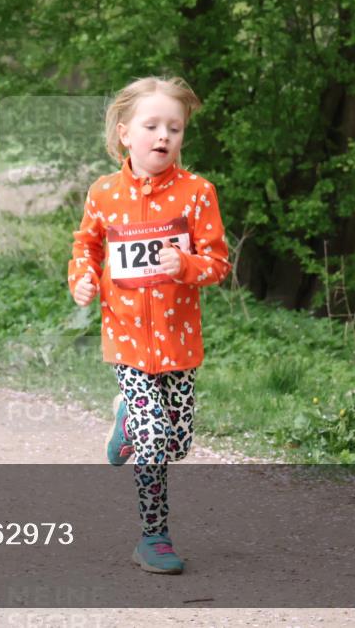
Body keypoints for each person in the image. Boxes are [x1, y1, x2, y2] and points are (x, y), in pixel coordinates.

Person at [68, 76, 231, 573]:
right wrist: (82, 278)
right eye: (152, 125)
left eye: (175, 128)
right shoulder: (104, 193)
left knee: (177, 441)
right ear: (124, 133)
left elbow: (218, 265)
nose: (164, 136)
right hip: (127, 341)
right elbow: (87, 245)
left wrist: (184, 267)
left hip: (179, 344)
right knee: (155, 438)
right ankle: (153, 537)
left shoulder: (198, 194)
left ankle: (126, 424)